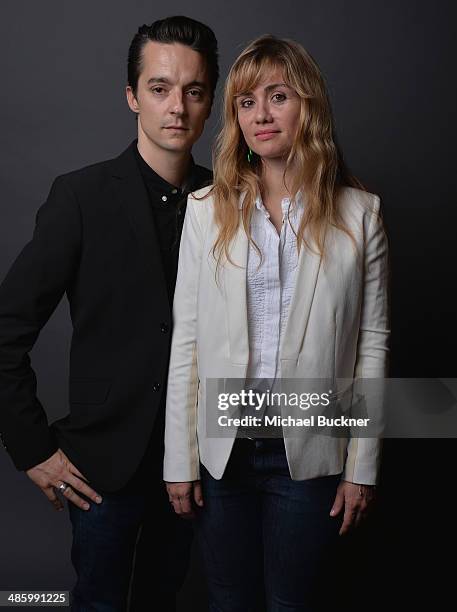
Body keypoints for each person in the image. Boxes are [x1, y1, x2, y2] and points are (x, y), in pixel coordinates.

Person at [0, 15, 218, 612]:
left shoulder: (231, 202)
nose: (177, 106)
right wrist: (32, 449)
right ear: (132, 97)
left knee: (164, 599)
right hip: (100, 468)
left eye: (194, 91)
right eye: (159, 88)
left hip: (199, 463)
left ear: (210, 102)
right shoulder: (81, 196)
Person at [164, 35, 389, 611]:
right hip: (222, 450)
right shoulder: (204, 210)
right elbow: (185, 343)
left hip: (309, 448)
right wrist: (179, 460)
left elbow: (371, 346)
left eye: (278, 96)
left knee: (295, 603)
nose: (260, 115)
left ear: (307, 105)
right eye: (245, 102)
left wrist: (362, 466)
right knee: (228, 600)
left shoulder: (360, 216)